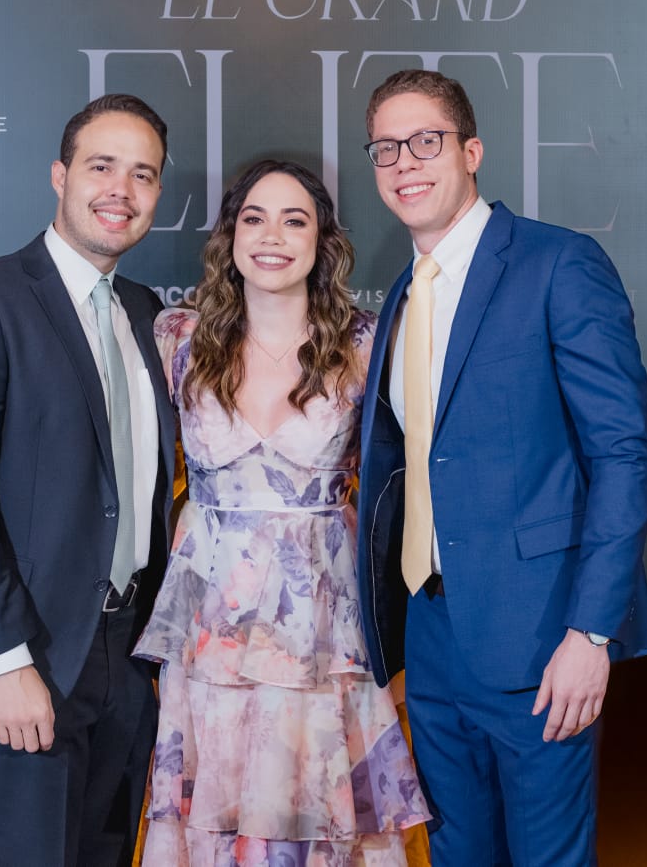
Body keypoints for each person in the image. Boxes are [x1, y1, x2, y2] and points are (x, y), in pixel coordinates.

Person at [354, 69, 647, 866]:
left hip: (540, 636)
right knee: (457, 855)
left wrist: (590, 632)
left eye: (426, 141)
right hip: (430, 634)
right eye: (385, 148)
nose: (404, 162)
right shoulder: (400, 296)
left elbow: (622, 454)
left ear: (472, 151)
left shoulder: (557, 263)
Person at [0, 93, 177, 866]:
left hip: (128, 657)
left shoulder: (145, 311)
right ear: (60, 176)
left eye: (142, 174)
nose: (120, 189)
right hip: (31, 655)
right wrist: (5, 659)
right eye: (101, 166)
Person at [134, 159, 431, 865]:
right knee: (215, 819)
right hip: (211, 634)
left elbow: (414, 475)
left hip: (324, 634)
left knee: (322, 818)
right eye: (254, 218)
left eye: (294, 220)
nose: (272, 236)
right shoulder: (177, 337)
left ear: (321, 241)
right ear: (230, 235)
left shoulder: (367, 344)